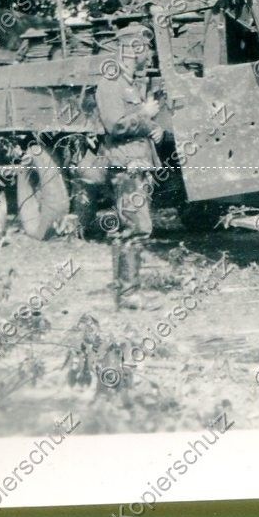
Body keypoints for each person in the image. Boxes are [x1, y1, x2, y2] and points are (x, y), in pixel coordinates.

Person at [94, 25, 164, 308]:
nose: (149, 54)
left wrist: (151, 126)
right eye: (145, 48)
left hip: (134, 164)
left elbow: (133, 120)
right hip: (124, 165)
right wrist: (144, 115)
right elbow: (116, 124)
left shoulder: (129, 83)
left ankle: (125, 294)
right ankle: (129, 295)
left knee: (129, 227)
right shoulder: (110, 84)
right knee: (137, 227)